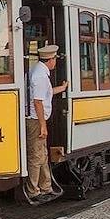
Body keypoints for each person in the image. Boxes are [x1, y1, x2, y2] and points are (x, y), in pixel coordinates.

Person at [25, 44, 69, 201]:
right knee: (36, 156)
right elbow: (37, 102)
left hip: (37, 119)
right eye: (55, 59)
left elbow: (46, 93)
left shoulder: (38, 71)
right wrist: (43, 125)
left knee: (42, 154)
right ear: (51, 60)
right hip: (36, 120)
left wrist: (62, 88)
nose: (55, 62)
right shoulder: (40, 76)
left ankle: (46, 187)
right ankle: (33, 191)